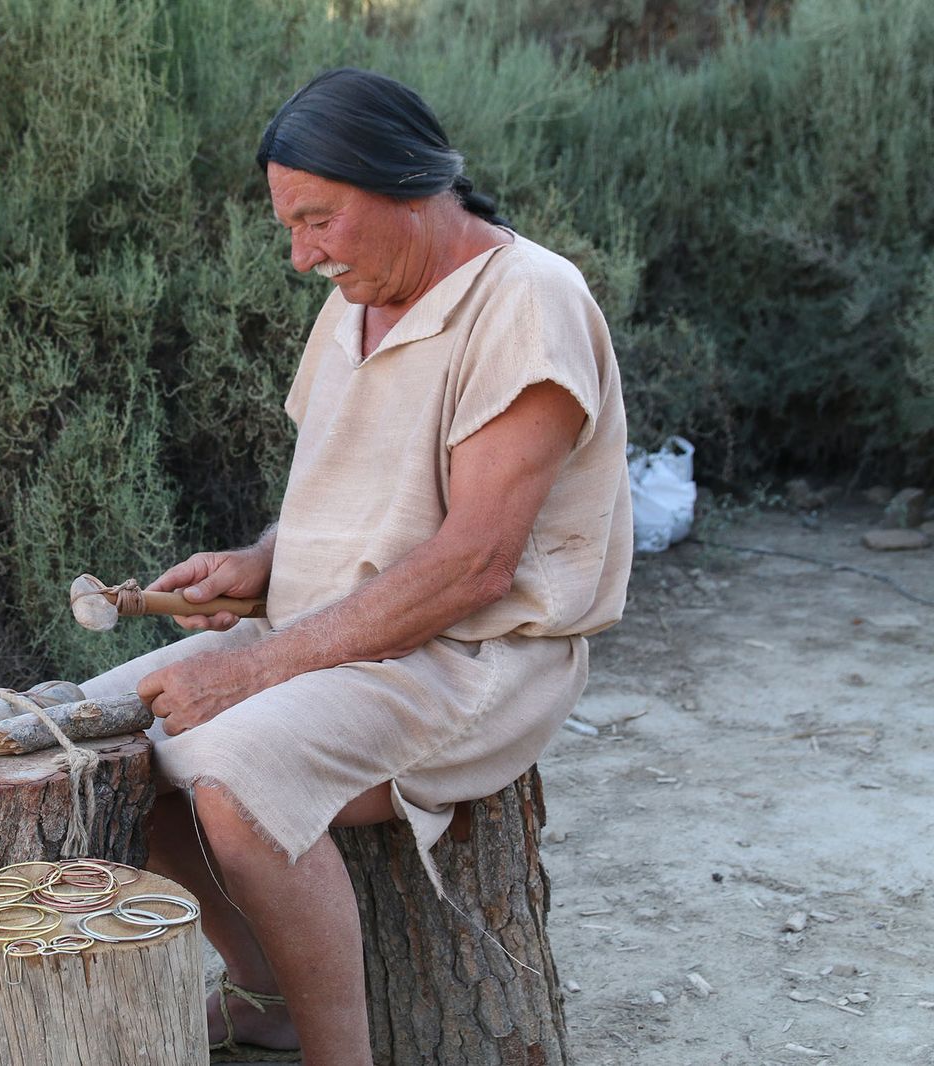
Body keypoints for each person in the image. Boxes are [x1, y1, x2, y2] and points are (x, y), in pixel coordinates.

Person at [79, 68, 632, 1065]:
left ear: (406, 183)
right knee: (95, 743)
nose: (301, 256)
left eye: (317, 219)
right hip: (334, 634)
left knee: (235, 780)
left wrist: (250, 669)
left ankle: (343, 1055)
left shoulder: (527, 301)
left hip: (471, 657)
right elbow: (359, 500)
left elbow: (472, 565)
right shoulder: (358, 295)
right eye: (290, 227)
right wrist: (256, 566)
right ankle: (263, 997)